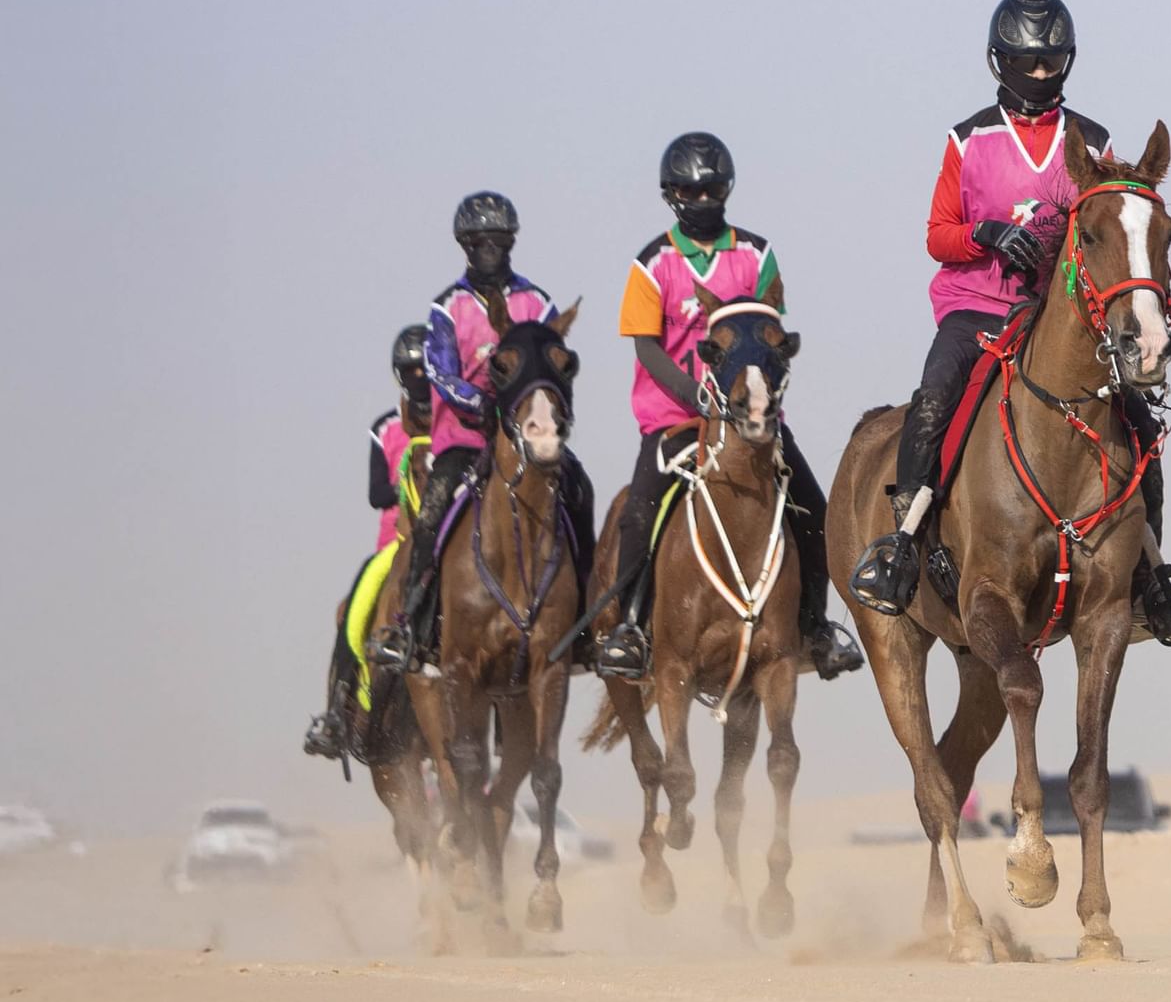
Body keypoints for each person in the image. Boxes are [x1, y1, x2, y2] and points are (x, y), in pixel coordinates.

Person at [847, 0, 1171, 645]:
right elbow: (937, 234)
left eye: (1052, 64)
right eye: (1028, 64)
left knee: (1139, 419)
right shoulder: (969, 139)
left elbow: (1115, 225)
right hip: (975, 307)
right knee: (935, 397)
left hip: (1059, 314)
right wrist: (984, 234)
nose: (1041, 76)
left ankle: (1148, 577)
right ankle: (903, 543)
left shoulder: (1092, 142)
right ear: (1001, 63)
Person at [590, 132, 862, 682]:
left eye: (712, 189)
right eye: (691, 191)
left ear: (727, 189)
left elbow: (770, 334)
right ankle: (633, 629)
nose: (703, 200)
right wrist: (696, 397)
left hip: (754, 422)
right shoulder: (653, 264)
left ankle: (816, 628)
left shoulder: (756, 254)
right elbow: (646, 345)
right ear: (672, 195)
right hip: (674, 421)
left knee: (815, 510)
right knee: (639, 513)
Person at [373, 192, 595, 670]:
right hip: (465, 440)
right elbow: (441, 373)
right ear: (466, 246)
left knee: (581, 489)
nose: (491, 250)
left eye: (499, 241)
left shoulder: (538, 301)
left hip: (529, 437)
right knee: (431, 515)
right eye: (480, 242)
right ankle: (408, 623)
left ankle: (590, 623)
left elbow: (552, 364)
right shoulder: (447, 307)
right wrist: (489, 403)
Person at [303, 325, 432, 760]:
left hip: (446, 536)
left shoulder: (459, 419)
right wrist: (410, 477)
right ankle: (336, 714)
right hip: (395, 542)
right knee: (353, 613)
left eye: (425, 368)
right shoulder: (386, 428)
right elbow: (377, 494)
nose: (419, 377)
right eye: (410, 371)